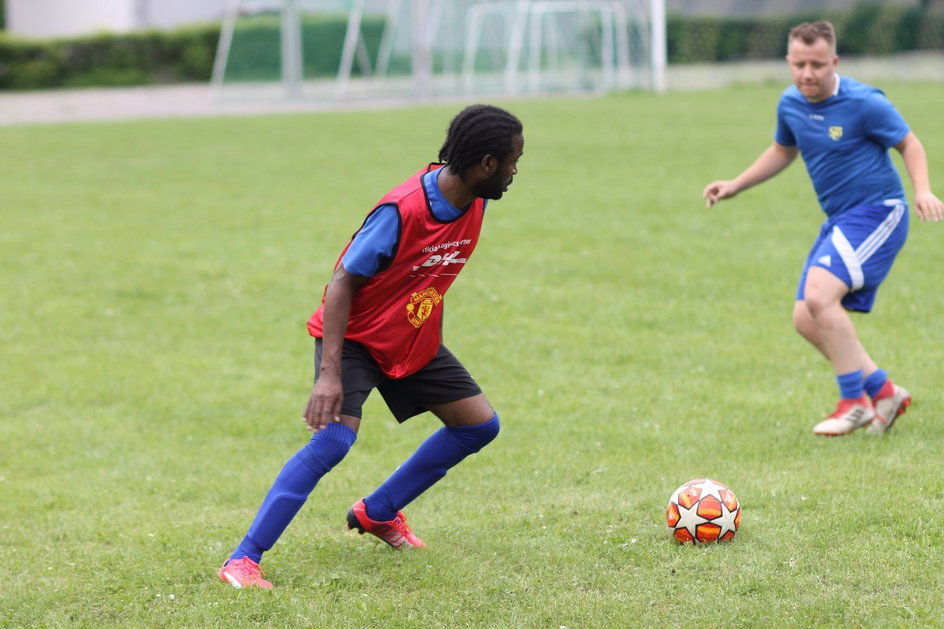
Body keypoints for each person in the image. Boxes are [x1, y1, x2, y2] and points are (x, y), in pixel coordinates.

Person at [218, 104, 524, 588]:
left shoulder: (476, 198)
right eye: (512, 161)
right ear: (486, 163)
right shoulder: (402, 210)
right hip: (355, 338)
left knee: (478, 426)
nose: (514, 172)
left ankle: (377, 511)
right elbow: (341, 282)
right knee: (334, 441)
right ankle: (242, 559)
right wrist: (329, 373)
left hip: (410, 335)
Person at [702, 21, 943, 437]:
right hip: (840, 219)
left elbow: (910, 144)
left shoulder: (865, 102)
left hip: (878, 213)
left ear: (834, 61)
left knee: (819, 295)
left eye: (816, 64)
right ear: (788, 62)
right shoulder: (790, 103)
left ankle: (853, 403)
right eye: (799, 64)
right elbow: (783, 149)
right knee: (805, 318)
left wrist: (923, 190)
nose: (807, 73)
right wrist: (736, 185)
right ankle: (883, 391)